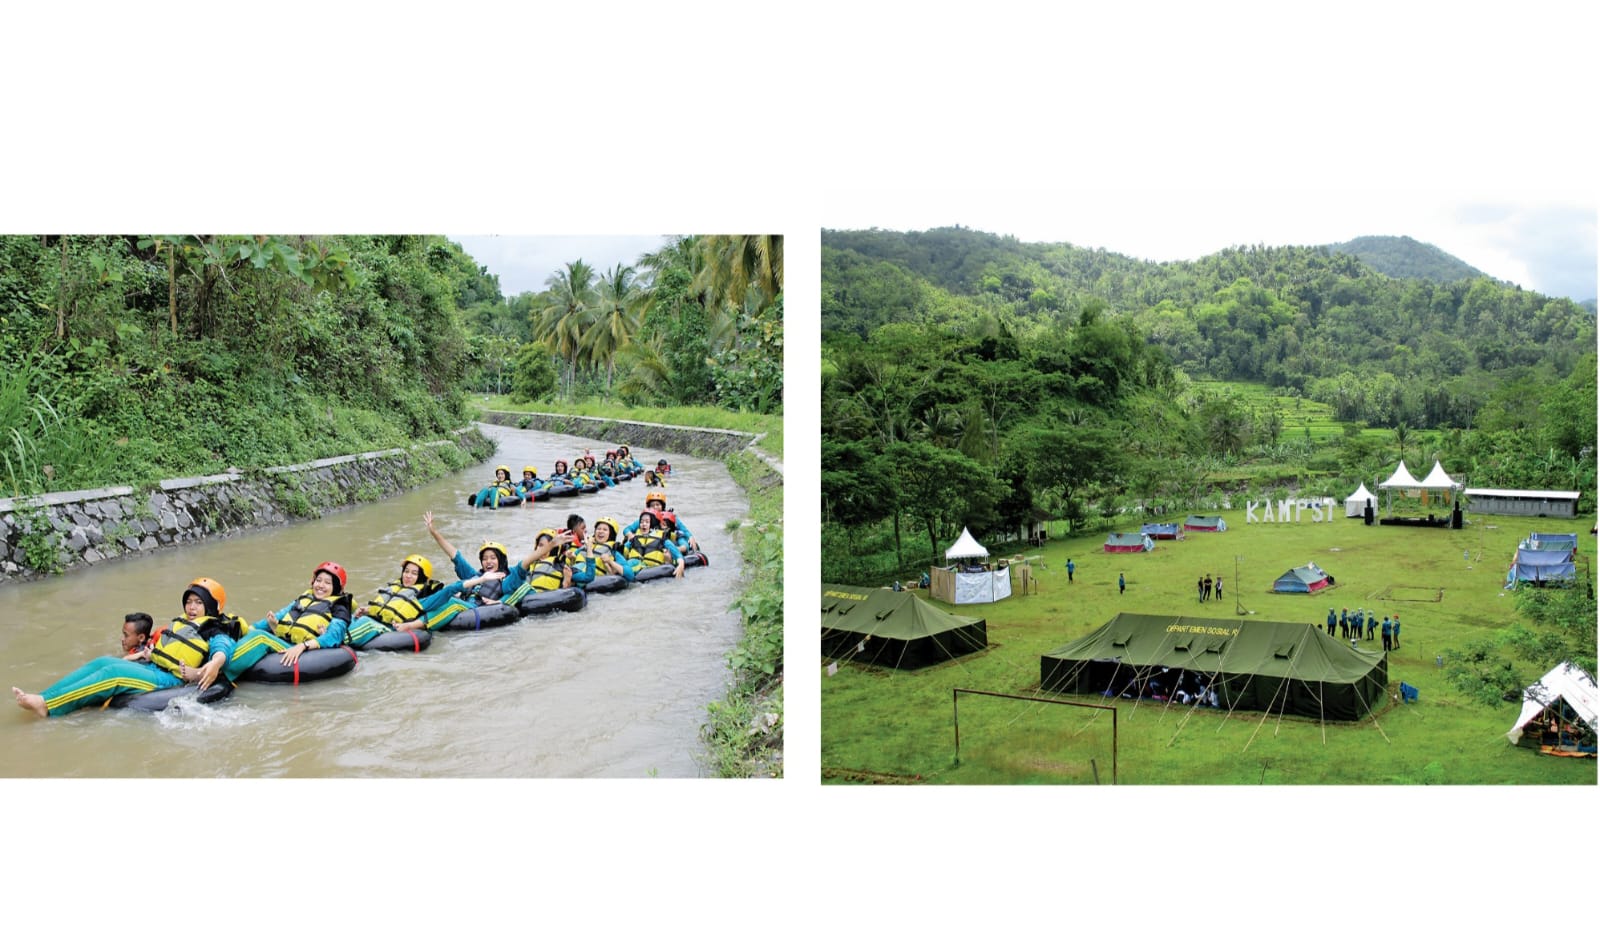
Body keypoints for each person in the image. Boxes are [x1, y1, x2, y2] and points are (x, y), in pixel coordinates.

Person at [13, 581, 242, 718]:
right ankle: (45, 696)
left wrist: (216, 663)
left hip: (168, 680)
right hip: (153, 666)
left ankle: (48, 707)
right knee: (103, 662)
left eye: (198, 603)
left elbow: (223, 647)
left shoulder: (213, 628)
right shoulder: (183, 621)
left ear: (211, 606)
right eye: (189, 601)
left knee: (113, 674)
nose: (191, 607)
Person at [223, 562, 353, 680]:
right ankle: (219, 659)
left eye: (327, 583)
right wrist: (250, 629)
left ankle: (223, 676)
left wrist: (303, 646)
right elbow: (278, 616)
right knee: (242, 628)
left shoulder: (339, 607)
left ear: (336, 588)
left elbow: (334, 635)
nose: (321, 585)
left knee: (260, 638)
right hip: (286, 641)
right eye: (318, 580)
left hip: (302, 650)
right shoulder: (304, 599)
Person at [346, 554, 503, 646]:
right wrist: (367, 610)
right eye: (406, 572)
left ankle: (334, 642)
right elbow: (384, 607)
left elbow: (452, 589)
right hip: (372, 619)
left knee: (364, 625)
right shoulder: (396, 589)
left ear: (421, 577)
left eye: (414, 573)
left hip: (384, 628)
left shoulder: (423, 600)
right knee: (350, 613)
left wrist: (481, 579)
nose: (408, 576)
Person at [621, 509, 685, 579]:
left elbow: (676, 553)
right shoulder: (634, 538)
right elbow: (623, 550)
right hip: (635, 566)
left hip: (652, 569)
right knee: (632, 562)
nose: (643, 524)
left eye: (647, 522)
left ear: (653, 524)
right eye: (641, 522)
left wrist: (681, 564)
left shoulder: (662, 539)